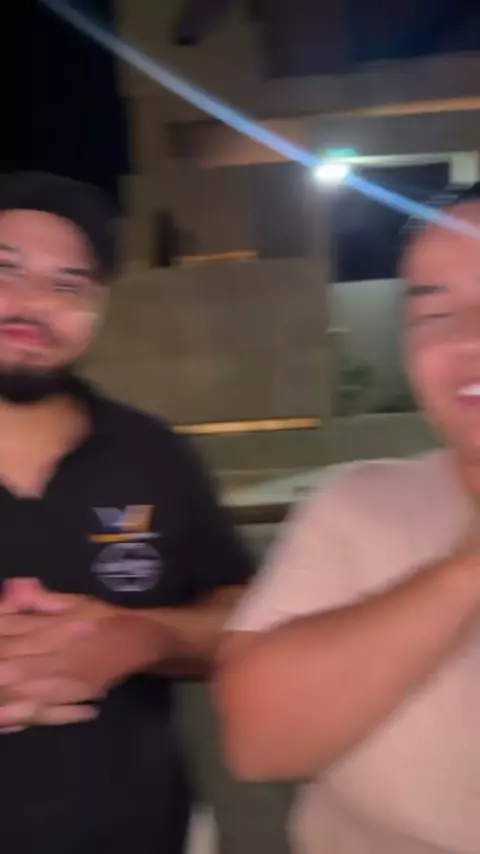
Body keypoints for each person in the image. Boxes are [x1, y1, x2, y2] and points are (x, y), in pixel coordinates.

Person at [216, 183, 480, 854]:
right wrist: (466, 569)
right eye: (432, 313)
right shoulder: (358, 504)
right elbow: (257, 739)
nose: (469, 337)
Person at [0, 171, 254, 854]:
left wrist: (145, 636)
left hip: (148, 832)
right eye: (6, 270)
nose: (31, 304)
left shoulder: (152, 454)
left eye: (68, 285)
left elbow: (244, 618)